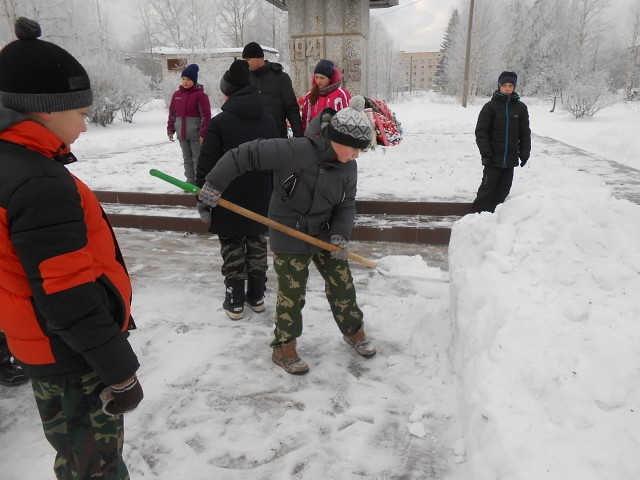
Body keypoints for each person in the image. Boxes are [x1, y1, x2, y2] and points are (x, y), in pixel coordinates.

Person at [0, 17, 143, 478]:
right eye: (79, 111)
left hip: (42, 345)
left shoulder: (14, 163)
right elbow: (67, 291)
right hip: (73, 356)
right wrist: (118, 370)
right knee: (95, 467)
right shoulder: (38, 181)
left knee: (73, 458)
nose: (85, 122)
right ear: (43, 109)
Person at [198, 95, 376, 375]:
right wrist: (213, 185)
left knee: (342, 283)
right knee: (292, 294)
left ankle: (354, 331)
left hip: (326, 233)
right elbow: (242, 155)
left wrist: (340, 234)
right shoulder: (294, 151)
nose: (357, 155)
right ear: (337, 139)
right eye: (355, 148)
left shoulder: (348, 167)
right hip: (289, 231)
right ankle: (283, 349)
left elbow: (346, 204)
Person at [196, 60, 278, 320]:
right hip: (262, 197)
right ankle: (256, 296)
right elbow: (278, 160)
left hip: (227, 197)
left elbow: (206, 163)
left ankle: (234, 301)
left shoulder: (219, 123)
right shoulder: (269, 121)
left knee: (232, 246)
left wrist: (203, 197)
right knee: (257, 245)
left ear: (228, 92)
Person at [470, 71, 531, 214]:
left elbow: (524, 133)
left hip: (510, 158)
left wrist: (524, 152)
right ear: (499, 86)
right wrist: (486, 153)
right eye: (504, 85)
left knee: (503, 190)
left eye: (511, 85)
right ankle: (474, 218)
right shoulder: (490, 107)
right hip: (492, 158)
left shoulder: (521, 108)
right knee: (486, 190)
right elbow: (481, 132)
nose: (508, 88)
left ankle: (493, 219)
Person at [242, 41, 303, 139]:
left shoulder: (281, 78)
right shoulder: (245, 79)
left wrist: (298, 137)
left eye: (248, 59)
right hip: (252, 140)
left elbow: (292, 109)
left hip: (276, 138)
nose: (246, 63)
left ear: (259, 58)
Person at [167, 63, 212, 184]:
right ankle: (190, 181)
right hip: (182, 134)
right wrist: (170, 129)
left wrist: (203, 133)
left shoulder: (201, 95)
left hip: (196, 135)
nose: (185, 82)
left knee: (197, 158)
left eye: (188, 79)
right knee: (186, 158)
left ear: (194, 80)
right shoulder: (177, 95)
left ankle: (199, 181)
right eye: (183, 79)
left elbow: (206, 116)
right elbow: (172, 114)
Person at [300, 59, 352, 133]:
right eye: (316, 77)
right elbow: (306, 120)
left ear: (330, 78)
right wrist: (307, 136)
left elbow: (348, 118)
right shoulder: (310, 95)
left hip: (335, 138)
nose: (318, 81)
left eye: (322, 78)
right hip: (315, 137)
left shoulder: (341, 94)